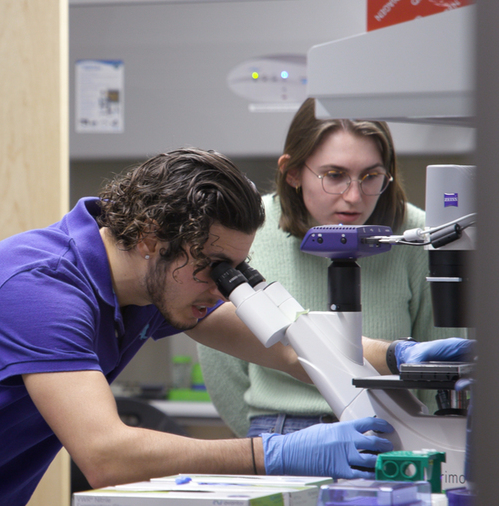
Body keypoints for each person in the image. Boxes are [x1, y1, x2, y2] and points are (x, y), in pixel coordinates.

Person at [0, 147, 468, 505]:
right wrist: (272, 454)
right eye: (215, 268)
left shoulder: (152, 285)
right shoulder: (41, 292)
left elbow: (286, 346)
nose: (223, 286)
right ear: (152, 237)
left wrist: (403, 357)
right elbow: (107, 455)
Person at [196, 97, 466, 438]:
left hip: (392, 427)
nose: (354, 196)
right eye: (335, 175)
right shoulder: (249, 230)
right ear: (292, 172)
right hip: (282, 430)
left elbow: (439, 365)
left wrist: (421, 438)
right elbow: (222, 364)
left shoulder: (416, 236)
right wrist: (272, 447)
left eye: (371, 176)